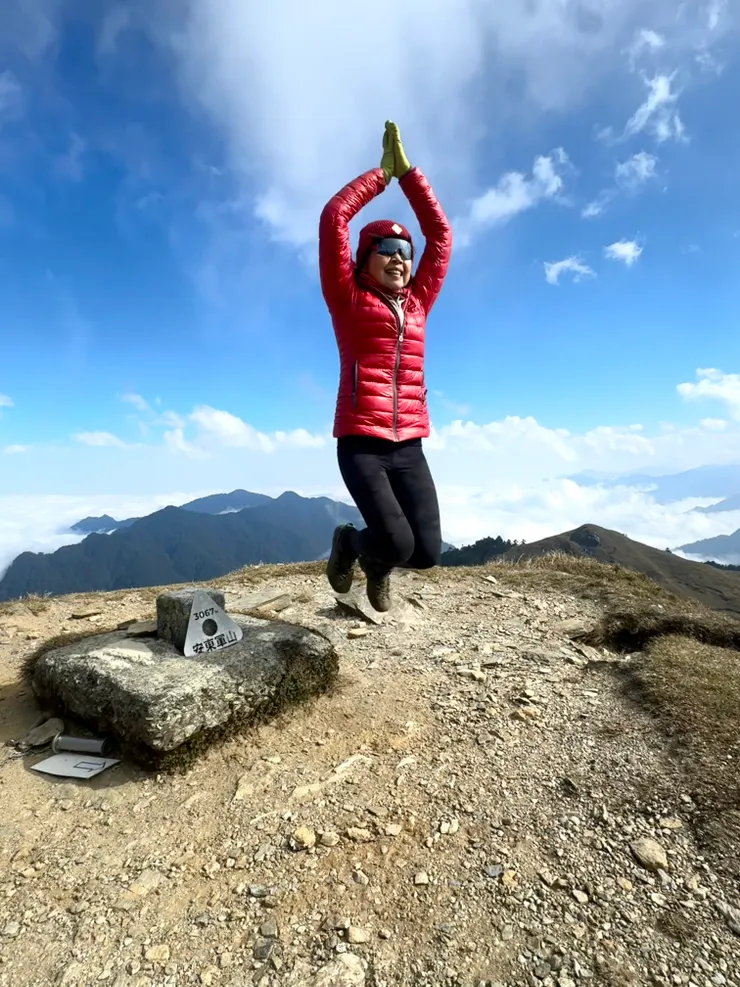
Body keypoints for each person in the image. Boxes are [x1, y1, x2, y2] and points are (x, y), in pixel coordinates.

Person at [319, 120, 452, 612]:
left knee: (426, 554)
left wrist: (411, 176)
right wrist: (380, 177)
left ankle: (373, 561)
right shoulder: (347, 297)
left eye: (405, 253)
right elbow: (334, 216)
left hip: (409, 444)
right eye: (387, 251)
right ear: (364, 258)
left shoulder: (417, 302)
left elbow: (439, 234)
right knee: (395, 543)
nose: (399, 259)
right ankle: (351, 545)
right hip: (361, 444)